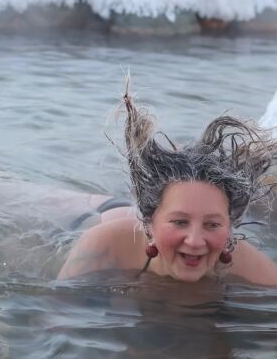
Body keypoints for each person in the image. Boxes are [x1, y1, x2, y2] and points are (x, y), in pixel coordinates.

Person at [58, 76, 277, 285]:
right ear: (149, 223)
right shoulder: (102, 244)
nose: (195, 241)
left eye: (212, 224)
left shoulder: (251, 266)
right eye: (180, 222)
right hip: (90, 217)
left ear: (229, 227)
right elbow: (57, 316)